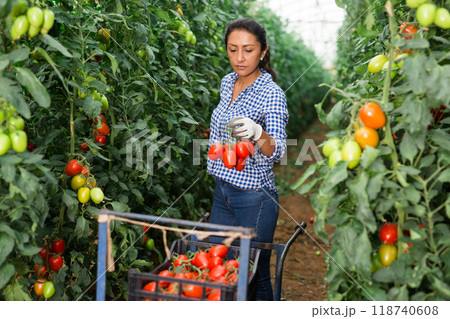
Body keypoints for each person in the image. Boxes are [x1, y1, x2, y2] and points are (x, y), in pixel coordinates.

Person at [207, 17, 288, 301]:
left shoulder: (272, 94)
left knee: (253, 275)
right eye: (233, 49)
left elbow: (278, 150)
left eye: (249, 50)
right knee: (220, 268)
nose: (239, 58)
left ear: (263, 51)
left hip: (255, 198)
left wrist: (257, 132)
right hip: (223, 192)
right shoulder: (227, 82)